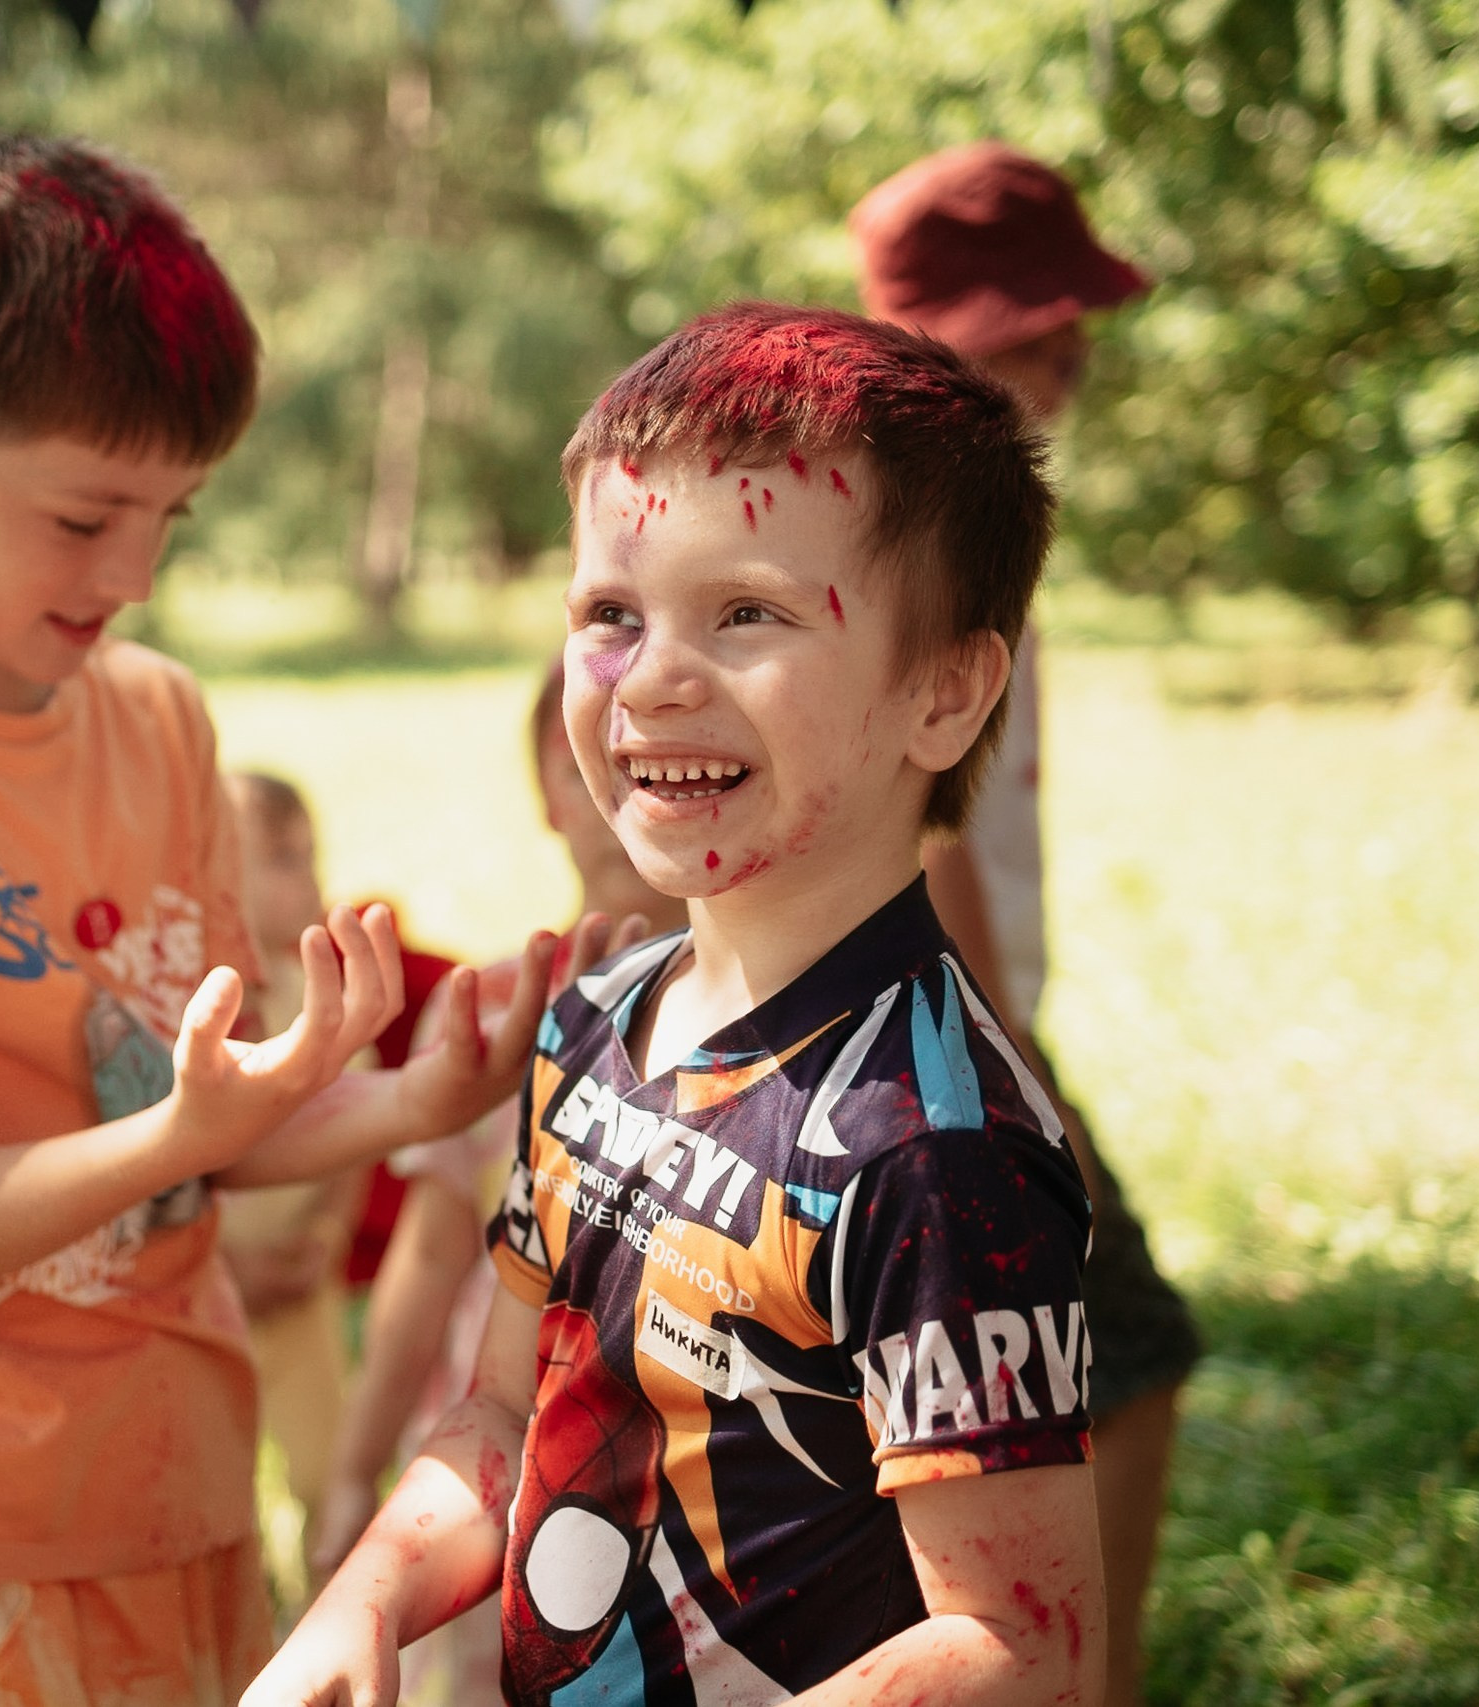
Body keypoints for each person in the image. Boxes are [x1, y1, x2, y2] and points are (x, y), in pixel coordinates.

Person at [0, 132, 583, 1707]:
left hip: (187, 1483)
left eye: (173, 516)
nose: (135, 574)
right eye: (85, 520)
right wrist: (183, 1131)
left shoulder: (157, 718)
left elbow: (197, 1117)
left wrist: (411, 1095)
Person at [250, 304, 1104, 1707]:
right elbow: (504, 1411)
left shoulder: (938, 1151)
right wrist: (366, 1599)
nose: (651, 678)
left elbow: (1023, 1640)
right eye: (610, 615)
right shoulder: (590, 1022)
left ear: (945, 692)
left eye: (747, 612)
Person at [854, 141, 1206, 1707]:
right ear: (961, 334)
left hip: (936, 1033)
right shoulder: (935, 532)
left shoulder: (955, 511)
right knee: (1127, 1355)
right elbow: (926, 839)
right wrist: (1010, 1076)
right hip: (944, 1039)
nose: (1075, 358)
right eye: (1045, 326)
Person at [308, 659, 677, 1707]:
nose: (619, 777)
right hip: (501, 1474)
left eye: (647, 749)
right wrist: (354, 1471)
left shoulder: (784, 1033)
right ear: (546, 795)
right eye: (584, 757)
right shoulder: (489, 1014)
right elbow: (428, 1258)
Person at [218, 771, 368, 1515]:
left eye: (312, 855)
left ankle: (328, 1575)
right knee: (213, 1484)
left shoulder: (314, 996)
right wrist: (222, 1267)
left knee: (323, 1472)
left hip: (301, 1284)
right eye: (282, 858)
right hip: (202, 1291)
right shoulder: (184, 1004)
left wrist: (328, 1233)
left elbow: (359, 1130)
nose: (310, 879)